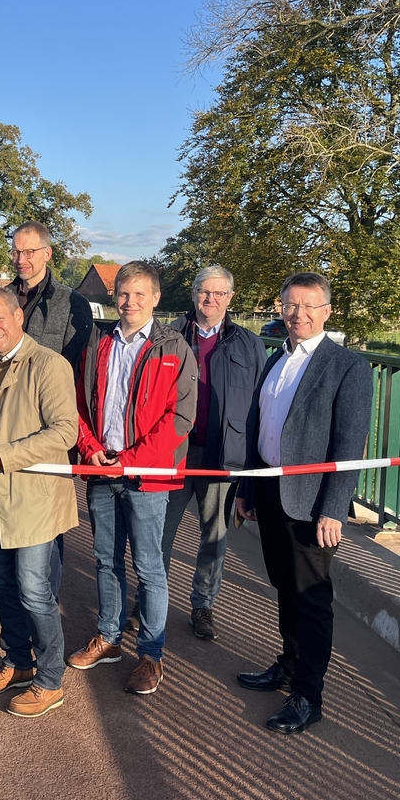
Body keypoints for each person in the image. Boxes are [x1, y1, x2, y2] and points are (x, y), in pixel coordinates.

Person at [235, 272, 372, 733]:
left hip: (312, 504)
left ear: (327, 312)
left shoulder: (348, 366)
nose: (299, 315)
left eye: (310, 306)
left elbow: (350, 443)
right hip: (273, 495)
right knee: (285, 588)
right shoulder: (277, 358)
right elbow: (262, 431)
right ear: (281, 308)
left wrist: (334, 508)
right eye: (291, 306)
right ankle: (288, 666)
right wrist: (249, 490)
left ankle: (308, 695)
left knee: (311, 599)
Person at [68, 261, 197, 695]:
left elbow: (180, 417)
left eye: (140, 294)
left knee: (149, 567)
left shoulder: (174, 347)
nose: (130, 302)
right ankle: (108, 637)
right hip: (102, 470)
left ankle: (150, 655)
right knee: (106, 558)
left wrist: (134, 460)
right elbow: (80, 406)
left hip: (147, 477)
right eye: (124, 293)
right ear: (114, 296)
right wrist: (90, 448)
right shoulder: (99, 341)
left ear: (156, 299)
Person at [0, 287, 79, 718]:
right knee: (5, 586)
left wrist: (8, 455)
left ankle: (49, 680)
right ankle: (17, 661)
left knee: (35, 592)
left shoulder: (49, 364)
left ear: (19, 316)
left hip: (32, 498)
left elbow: (64, 431)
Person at [0, 221, 93, 628]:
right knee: (8, 515)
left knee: (46, 523)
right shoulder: (3, 298)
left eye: (29, 252)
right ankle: (14, 599)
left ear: (47, 254)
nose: (21, 260)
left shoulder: (71, 302)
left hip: (48, 421)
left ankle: (45, 597)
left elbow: (75, 371)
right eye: (16, 252)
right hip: (8, 426)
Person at [161, 266, 266, 641]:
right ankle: (150, 600)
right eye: (204, 292)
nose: (211, 299)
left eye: (220, 294)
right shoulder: (168, 335)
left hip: (223, 454)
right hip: (173, 450)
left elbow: (257, 406)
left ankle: (203, 605)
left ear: (231, 298)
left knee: (214, 535)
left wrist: (250, 465)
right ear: (193, 294)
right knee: (159, 531)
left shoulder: (249, 344)